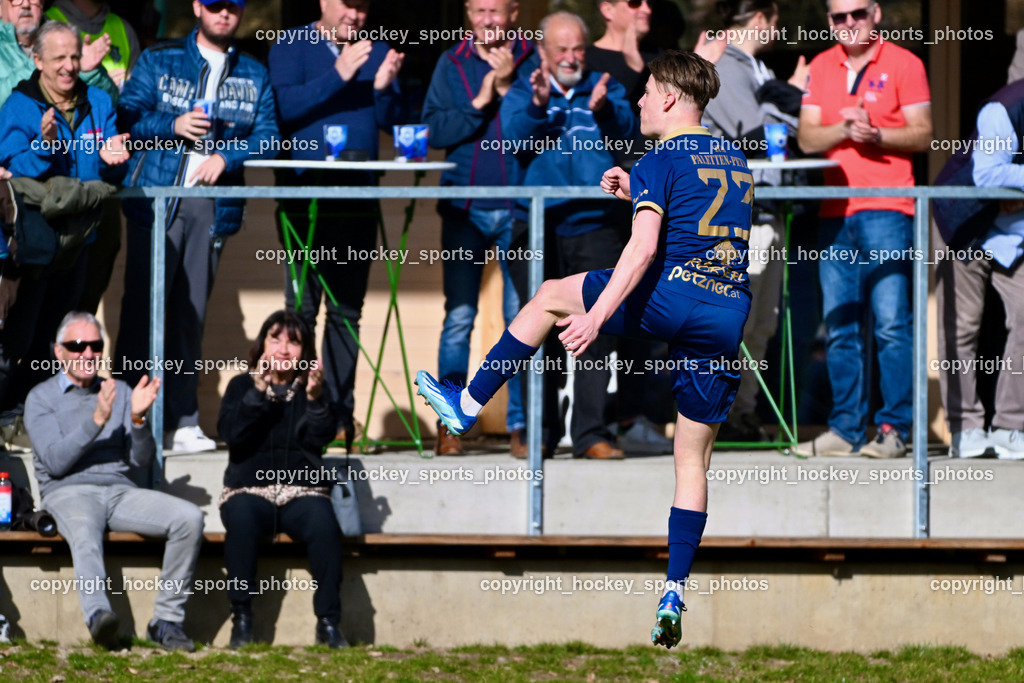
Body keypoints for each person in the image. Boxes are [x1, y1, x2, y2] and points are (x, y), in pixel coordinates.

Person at [417, 49, 752, 648]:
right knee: (692, 462)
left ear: (671, 99)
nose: (642, 99)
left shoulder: (659, 154)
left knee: (548, 295)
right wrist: (635, 189)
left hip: (672, 295)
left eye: (648, 91)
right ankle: (673, 591)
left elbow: (645, 249)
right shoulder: (730, 151)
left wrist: (597, 316)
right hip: (727, 314)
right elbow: (697, 215)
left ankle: (468, 403)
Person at [115, 0, 280, 453]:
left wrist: (227, 157)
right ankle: (126, 415)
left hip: (210, 203)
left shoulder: (253, 71)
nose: (223, 13)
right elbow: (126, 116)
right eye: (214, 5)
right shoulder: (159, 58)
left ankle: (183, 420)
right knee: (141, 312)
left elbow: (269, 136)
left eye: (232, 6)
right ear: (196, 8)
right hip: (155, 199)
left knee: (190, 314)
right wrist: (174, 125)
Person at [795, 0, 932, 458]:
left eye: (857, 13)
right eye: (839, 16)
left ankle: (893, 429)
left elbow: (924, 133)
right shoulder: (819, 64)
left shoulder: (905, 63)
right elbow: (807, 137)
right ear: (829, 21)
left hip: (889, 207)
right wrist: (844, 128)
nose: (849, 23)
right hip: (835, 211)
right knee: (840, 326)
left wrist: (879, 137)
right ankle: (845, 428)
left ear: (875, 13)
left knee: (892, 325)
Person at [500, 11, 637, 460]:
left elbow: (629, 133)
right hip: (537, 225)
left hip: (597, 224)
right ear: (542, 51)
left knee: (599, 330)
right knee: (538, 328)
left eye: (579, 48)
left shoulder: (603, 85)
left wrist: (606, 109)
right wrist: (539, 106)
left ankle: (591, 434)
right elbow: (514, 138)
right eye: (562, 49)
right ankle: (540, 432)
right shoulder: (525, 86)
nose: (572, 57)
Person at [267, 0, 404, 448]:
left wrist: (383, 89)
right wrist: (339, 73)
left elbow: (394, 122)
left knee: (347, 314)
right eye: (348, 5)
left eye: (364, 8)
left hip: (358, 199)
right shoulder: (291, 45)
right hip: (304, 198)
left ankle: (340, 417)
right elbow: (283, 109)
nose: (357, 16)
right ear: (324, 3)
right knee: (300, 312)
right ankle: (291, 415)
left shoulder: (377, 50)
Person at [24, 311, 204, 651]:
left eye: (95, 345)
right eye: (77, 346)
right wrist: (96, 420)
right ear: (58, 352)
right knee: (84, 530)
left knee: (189, 518)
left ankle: (166, 620)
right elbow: (55, 462)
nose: (87, 354)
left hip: (120, 490)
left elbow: (141, 460)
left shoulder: (119, 391)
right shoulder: (40, 398)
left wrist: (136, 419)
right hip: (67, 491)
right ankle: (99, 617)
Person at [0, 19, 130, 432]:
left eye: (74, 56)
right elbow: (10, 168)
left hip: (78, 244)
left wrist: (115, 161)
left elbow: (106, 168)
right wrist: (43, 146)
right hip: (31, 245)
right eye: (59, 58)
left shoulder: (99, 103)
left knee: (53, 345)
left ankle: (25, 418)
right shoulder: (19, 106)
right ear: (37, 60)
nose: (69, 66)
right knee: (15, 341)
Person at [421, 0, 534, 455]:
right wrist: (482, 99)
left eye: (497, 11)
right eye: (479, 11)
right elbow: (434, 130)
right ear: (468, 14)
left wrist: (510, 89)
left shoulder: (533, 59)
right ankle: (451, 424)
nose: (488, 21)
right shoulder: (451, 63)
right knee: (459, 318)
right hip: (464, 209)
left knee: (521, 320)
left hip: (521, 207)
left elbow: (539, 125)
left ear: (514, 13)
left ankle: (522, 426)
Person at [702, 0, 806, 442]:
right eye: (776, 21)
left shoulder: (755, 67)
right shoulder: (724, 62)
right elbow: (758, 136)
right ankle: (715, 416)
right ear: (761, 19)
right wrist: (794, 96)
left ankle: (742, 413)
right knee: (735, 322)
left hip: (768, 208)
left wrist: (781, 95)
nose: (777, 30)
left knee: (763, 323)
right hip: (738, 215)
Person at [217, 310, 345, 648]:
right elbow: (232, 435)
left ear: (305, 352)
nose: (284, 349)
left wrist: (317, 401)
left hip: (301, 492)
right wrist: (257, 393)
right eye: (276, 339)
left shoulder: (313, 389)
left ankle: (329, 623)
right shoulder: (241, 385)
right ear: (262, 346)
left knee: (324, 524)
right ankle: (242, 620)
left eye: (294, 342)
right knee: (241, 519)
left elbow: (322, 437)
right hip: (249, 489)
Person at [934, 80, 1024, 459]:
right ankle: (965, 428)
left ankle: (1010, 427)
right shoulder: (1005, 107)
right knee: (961, 327)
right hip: (963, 222)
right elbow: (987, 174)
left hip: (1015, 233)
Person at [0, 0, 116, 107]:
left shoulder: (65, 37)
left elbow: (113, 102)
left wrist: (90, 73)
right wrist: (44, 60)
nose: (25, 4)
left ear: (42, 4)